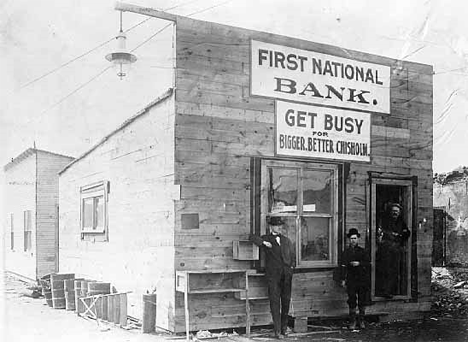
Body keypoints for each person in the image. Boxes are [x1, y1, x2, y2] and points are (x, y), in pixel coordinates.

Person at [250, 216, 295, 339]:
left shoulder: (286, 240)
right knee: (275, 303)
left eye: (281, 225)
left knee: (286, 302)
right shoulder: (266, 238)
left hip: (286, 276)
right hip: (273, 277)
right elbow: (252, 237)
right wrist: (264, 243)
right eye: (277, 225)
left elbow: (292, 256)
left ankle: (284, 329)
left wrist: (291, 269)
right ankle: (277, 331)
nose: (279, 227)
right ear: (271, 227)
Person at [377, 202, 410, 298]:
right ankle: (383, 291)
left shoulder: (401, 222)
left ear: (399, 213)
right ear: (390, 212)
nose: (395, 213)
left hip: (396, 249)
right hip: (386, 249)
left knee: (394, 270)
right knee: (385, 269)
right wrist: (393, 235)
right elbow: (382, 232)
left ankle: (391, 291)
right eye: (393, 211)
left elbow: (407, 232)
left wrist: (401, 235)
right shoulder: (385, 221)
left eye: (397, 211)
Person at [341, 228, 370, 330]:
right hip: (351, 279)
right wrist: (343, 280)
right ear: (349, 239)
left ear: (358, 239)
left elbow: (368, 264)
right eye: (351, 238)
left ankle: (361, 320)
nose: (353, 240)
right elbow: (343, 266)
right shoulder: (346, 252)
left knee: (362, 299)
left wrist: (359, 263)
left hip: (362, 279)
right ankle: (353, 321)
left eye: (355, 238)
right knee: (352, 299)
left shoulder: (363, 251)